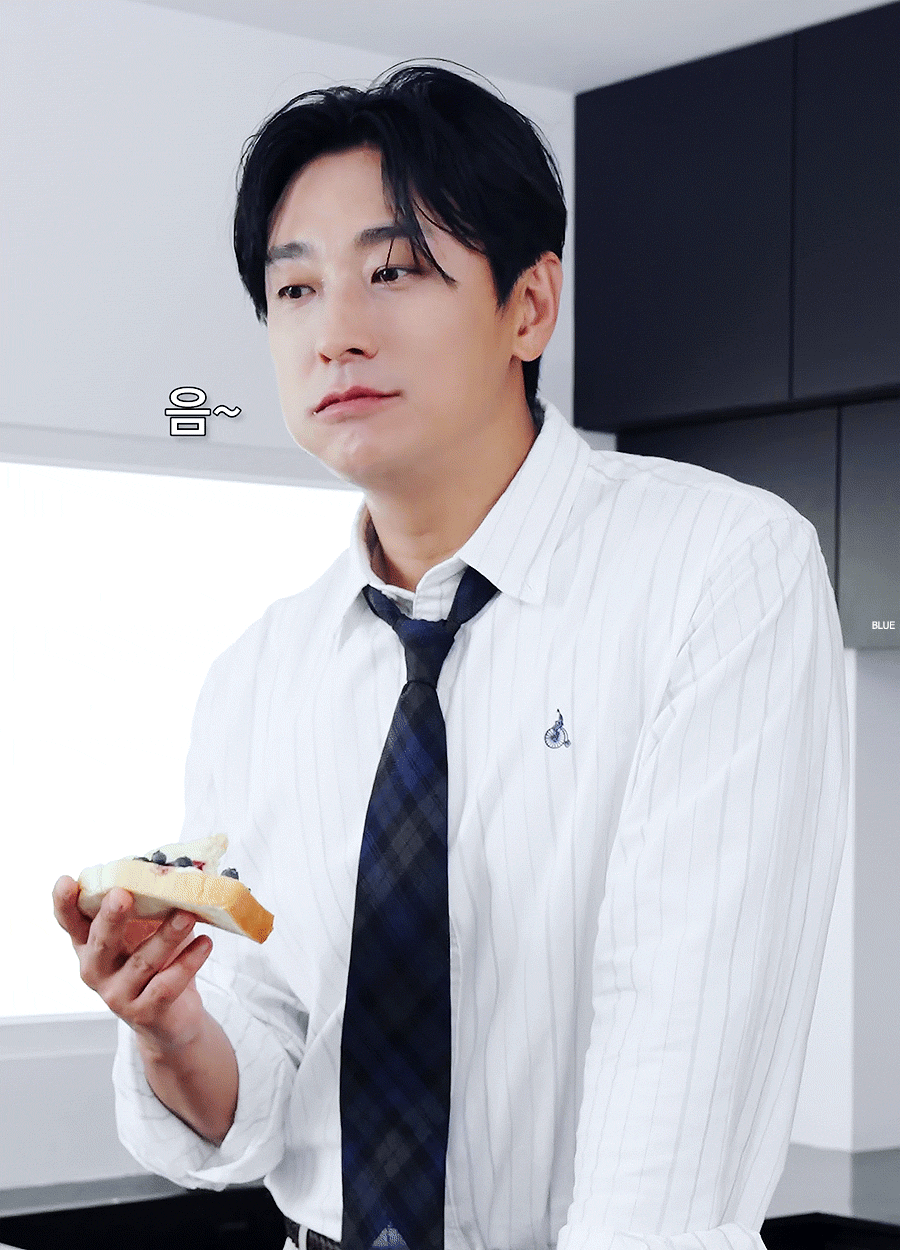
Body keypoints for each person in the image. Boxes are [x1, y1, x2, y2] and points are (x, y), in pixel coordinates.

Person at [53, 61, 850, 1250]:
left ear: (530, 306)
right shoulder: (259, 673)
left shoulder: (718, 570)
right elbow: (262, 1079)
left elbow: (681, 1061)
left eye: (394, 270)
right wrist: (171, 1028)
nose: (335, 333)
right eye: (295, 288)